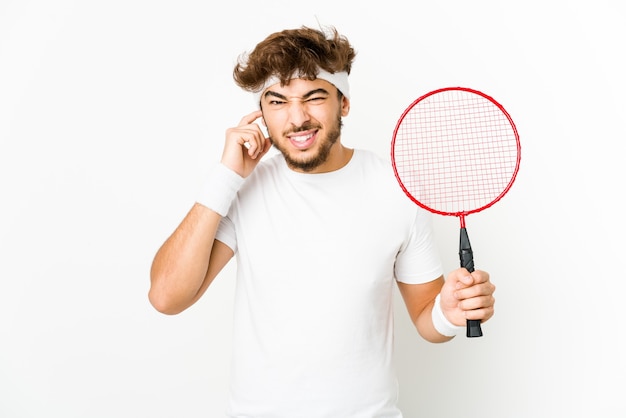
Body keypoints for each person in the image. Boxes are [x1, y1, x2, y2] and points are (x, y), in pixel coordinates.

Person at [149, 25, 496, 418]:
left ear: (343, 102)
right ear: (260, 112)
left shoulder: (395, 189)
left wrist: (448, 315)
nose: (297, 119)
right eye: (277, 101)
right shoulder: (244, 189)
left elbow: (426, 318)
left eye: (314, 97)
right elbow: (166, 297)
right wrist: (225, 177)